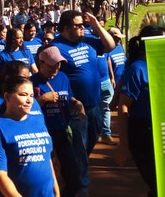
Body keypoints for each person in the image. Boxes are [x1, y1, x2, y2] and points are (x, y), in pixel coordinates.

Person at [51, 10, 115, 196]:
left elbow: (110, 45)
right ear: (66, 27)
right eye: (79, 25)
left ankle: (71, 178)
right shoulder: (56, 48)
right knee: (78, 154)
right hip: (74, 111)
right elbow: (51, 77)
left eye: (83, 25)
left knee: (84, 148)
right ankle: (79, 187)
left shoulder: (87, 41)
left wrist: (95, 25)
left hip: (93, 106)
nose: (82, 28)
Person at [0, 76, 60, 197]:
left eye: (31, 95)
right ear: (7, 97)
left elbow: (46, 157)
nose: (29, 100)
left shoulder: (38, 120)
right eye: (23, 95)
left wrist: (56, 190)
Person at [115, 25, 165, 197]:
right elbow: (123, 106)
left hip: (163, 129)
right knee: (157, 184)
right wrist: (123, 144)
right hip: (143, 132)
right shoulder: (138, 69)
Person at [32, 45, 85, 197]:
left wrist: (76, 103)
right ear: (41, 63)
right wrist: (42, 99)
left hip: (62, 132)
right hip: (41, 135)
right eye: (51, 64)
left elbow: (70, 98)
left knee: (73, 177)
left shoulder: (63, 77)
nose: (56, 67)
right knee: (45, 179)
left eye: (58, 63)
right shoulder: (32, 82)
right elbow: (24, 109)